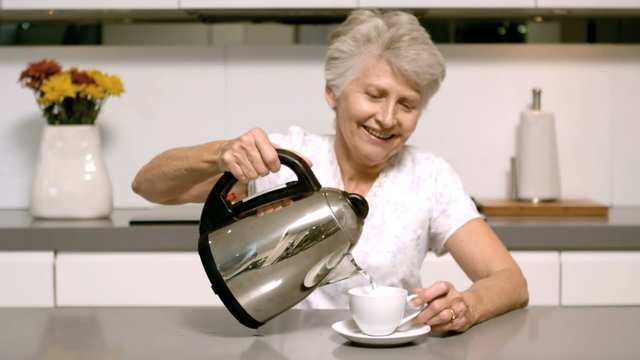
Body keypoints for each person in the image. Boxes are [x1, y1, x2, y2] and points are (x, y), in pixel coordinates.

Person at [132, 9, 528, 333]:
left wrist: (465, 306)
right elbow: (149, 186)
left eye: (407, 105)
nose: (387, 118)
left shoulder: (429, 175)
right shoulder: (282, 158)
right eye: (374, 95)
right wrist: (221, 153)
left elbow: (510, 280)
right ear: (333, 92)